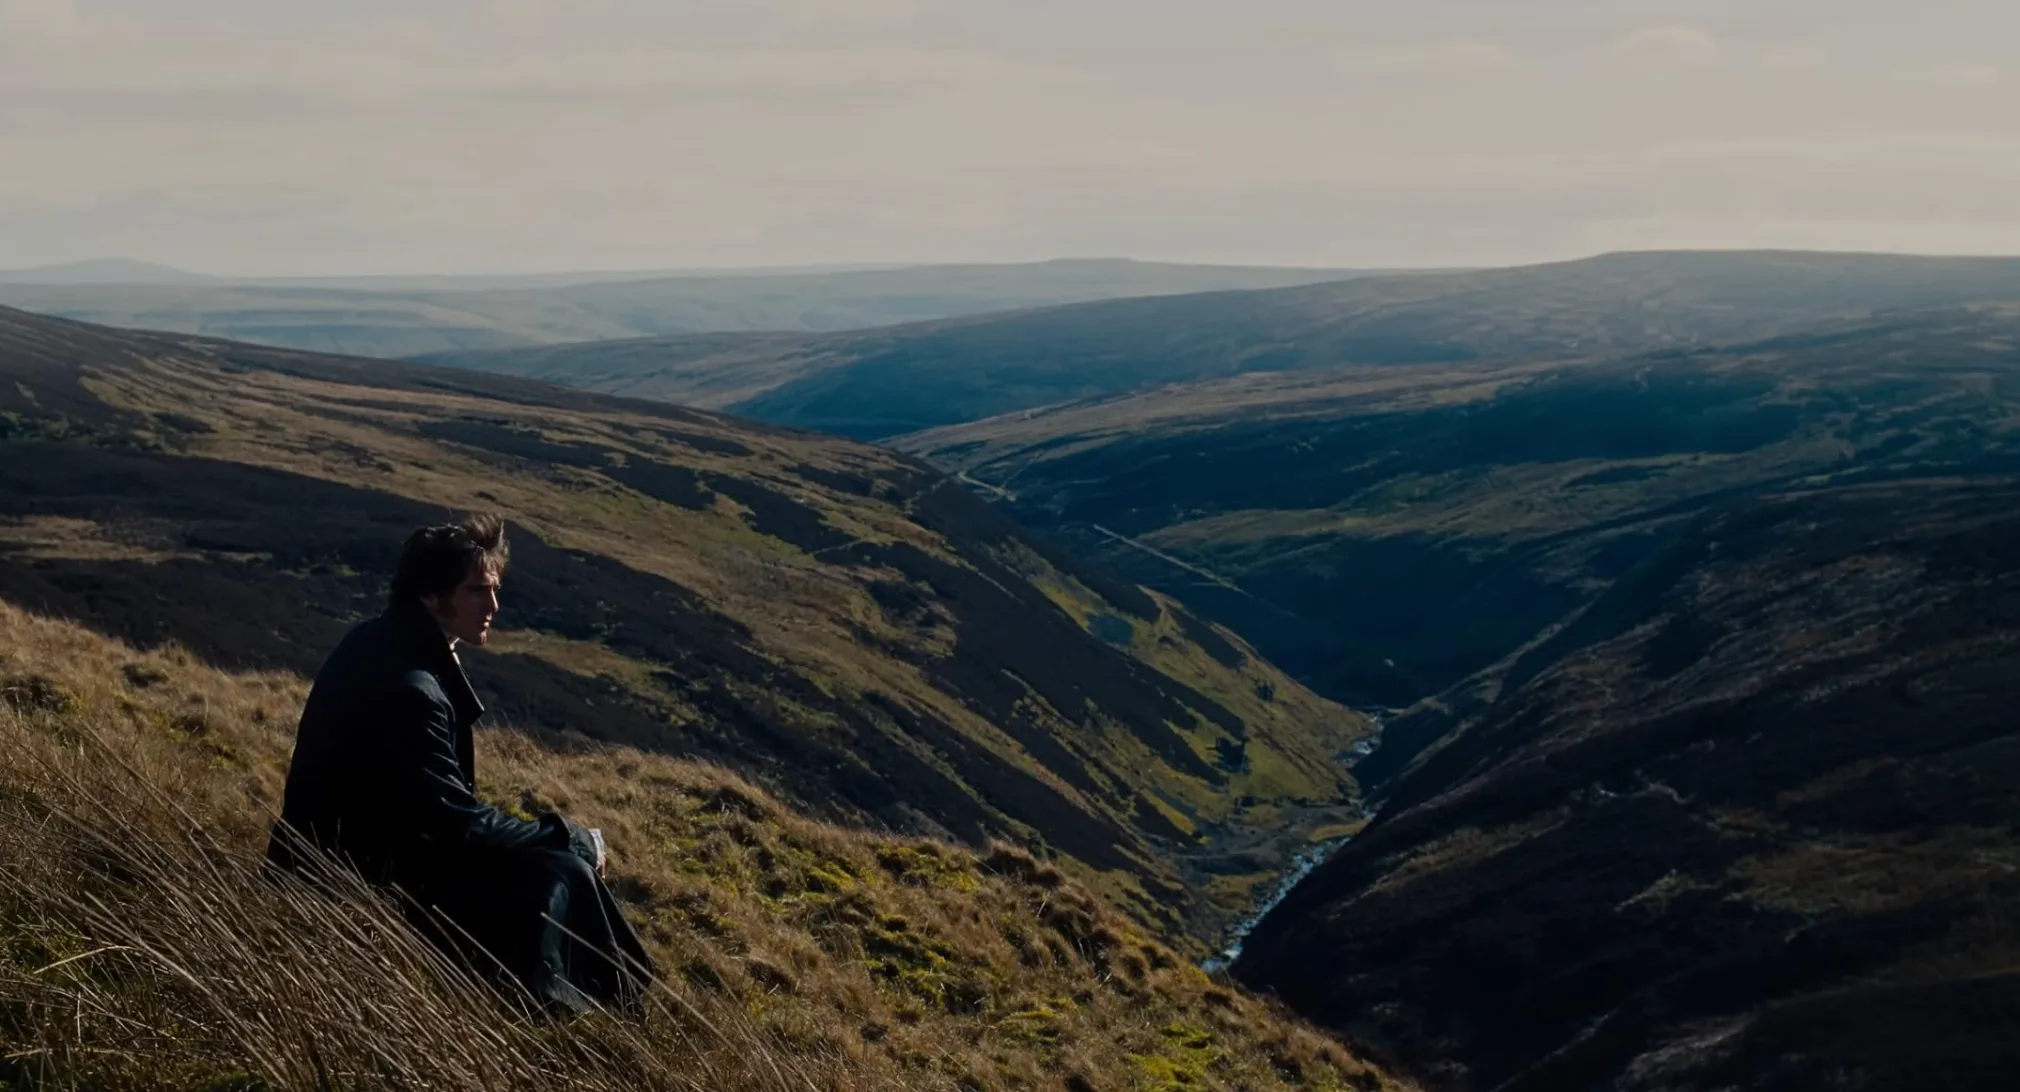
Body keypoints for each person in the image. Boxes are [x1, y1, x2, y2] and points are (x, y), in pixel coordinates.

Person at [266, 513, 655, 1015]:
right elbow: (451, 821)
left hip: (342, 857)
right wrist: (572, 838)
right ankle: (580, 1011)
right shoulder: (412, 691)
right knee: (561, 869)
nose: (493, 605)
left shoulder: (377, 640)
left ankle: (577, 1004)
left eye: (493, 589)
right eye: (477, 591)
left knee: (552, 864)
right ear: (430, 595)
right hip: (355, 877)